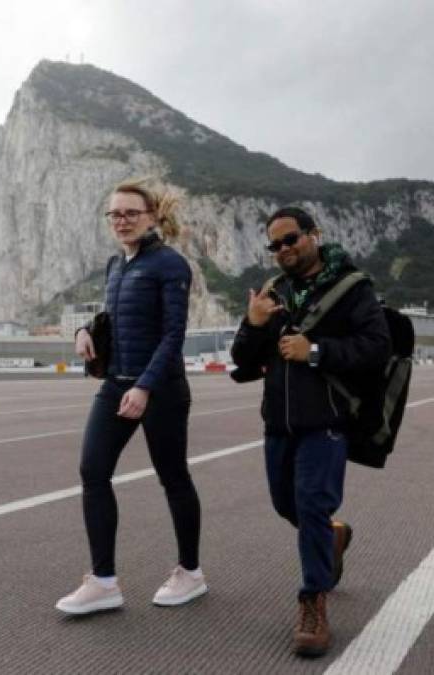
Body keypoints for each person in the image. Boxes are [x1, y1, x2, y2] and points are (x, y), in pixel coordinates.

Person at [230, 206, 391, 656]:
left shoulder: (352, 288)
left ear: (314, 235)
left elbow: (378, 347)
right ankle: (332, 535)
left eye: (291, 239)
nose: (283, 249)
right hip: (278, 421)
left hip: (327, 420)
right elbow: (244, 359)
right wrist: (254, 323)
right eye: (275, 245)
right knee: (286, 505)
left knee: (311, 504)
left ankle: (313, 602)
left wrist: (315, 350)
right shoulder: (272, 292)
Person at [56, 179, 206, 614]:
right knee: (93, 471)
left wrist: (145, 385)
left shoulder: (170, 264)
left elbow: (173, 335)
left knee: (173, 477)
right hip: (116, 384)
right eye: (114, 214)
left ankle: (191, 573)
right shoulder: (115, 265)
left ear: (152, 216)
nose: (121, 220)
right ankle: (104, 582)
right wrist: (85, 330)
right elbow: (114, 314)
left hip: (161, 389)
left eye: (130, 213)